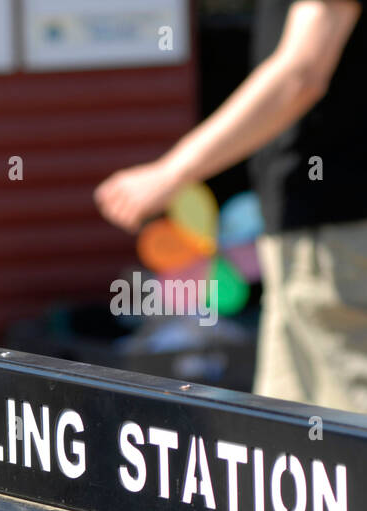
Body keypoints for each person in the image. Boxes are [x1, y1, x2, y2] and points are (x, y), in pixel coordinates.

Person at [94, 0, 366, 412]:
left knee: (336, 433)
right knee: (293, 430)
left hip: (334, 233)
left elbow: (302, 73)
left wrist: (172, 172)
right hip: (318, 234)